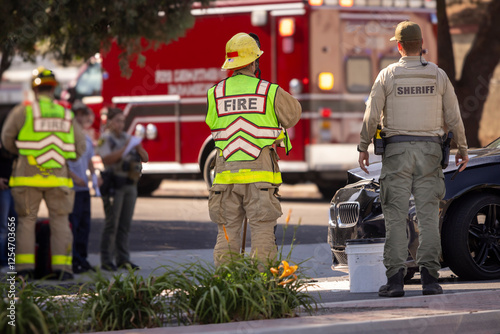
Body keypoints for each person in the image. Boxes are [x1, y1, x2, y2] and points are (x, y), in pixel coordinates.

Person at [357, 21, 469, 297]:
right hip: (430, 153)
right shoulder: (438, 75)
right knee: (429, 216)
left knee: (395, 217)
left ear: (399, 46)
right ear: (421, 45)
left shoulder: (387, 75)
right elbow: (453, 116)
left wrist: (362, 146)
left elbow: (372, 114)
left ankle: (395, 281)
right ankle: (430, 280)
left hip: (397, 153)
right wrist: (462, 148)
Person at [206, 32, 302, 266]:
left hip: (225, 178)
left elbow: (213, 123)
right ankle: (260, 291)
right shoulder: (268, 91)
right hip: (260, 179)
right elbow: (293, 115)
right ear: (254, 61)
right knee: (262, 236)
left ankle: (226, 289)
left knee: (227, 236)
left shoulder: (215, 93)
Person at [1, 67, 86, 280]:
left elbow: (6, 139)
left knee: (27, 221)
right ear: (54, 88)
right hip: (58, 177)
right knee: (60, 221)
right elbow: (80, 147)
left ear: (34, 88)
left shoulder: (24, 110)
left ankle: (25, 270)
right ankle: (63, 271)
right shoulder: (65, 112)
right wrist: (66, 157)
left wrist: (19, 153)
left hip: (27, 176)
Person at [97, 107, 148, 271]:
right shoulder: (105, 139)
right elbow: (106, 159)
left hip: (130, 184)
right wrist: (125, 148)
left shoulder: (128, 138)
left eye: (123, 121)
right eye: (117, 120)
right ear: (110, 121)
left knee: (125, 224)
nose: (121, 124)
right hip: (114, 185)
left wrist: (138, 148)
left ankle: (123, 258)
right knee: (112, 223)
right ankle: (106, 259)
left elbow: (146, 158)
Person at [68, 100, 97, 273]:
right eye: (77, 114)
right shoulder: (67, 136)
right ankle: (73, 260)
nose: (80, 118)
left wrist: (94, 178)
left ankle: (82, 258)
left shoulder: (86, 137)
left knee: (85, 225)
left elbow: (89, 161)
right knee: (74, 225)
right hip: (72, 187)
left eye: (83, 114)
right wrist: (74, 177)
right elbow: (61, 163)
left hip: (84, 188)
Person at [0, 111, 17, 270]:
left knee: (13, 223)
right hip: (4, 187)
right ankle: (3, 260)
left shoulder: (15, 140)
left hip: (15, 187)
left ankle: (10, 258)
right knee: (4, 225)